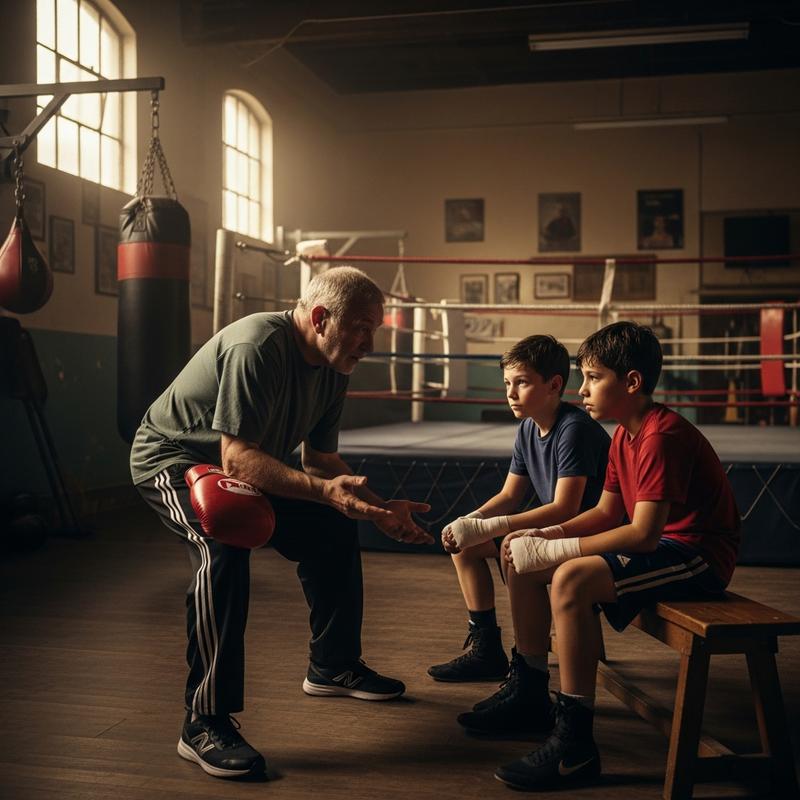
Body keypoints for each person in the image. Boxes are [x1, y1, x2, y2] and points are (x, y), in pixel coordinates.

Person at [130, 266, 433, 780]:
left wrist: (377, 509)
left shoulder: (335, 367)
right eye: (361, 327)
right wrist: (324, 492)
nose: (369, 342)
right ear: (320, 318)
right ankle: (203, 720)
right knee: (224, 539)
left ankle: (332, 664)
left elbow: (319, 463)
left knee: (334, 525)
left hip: (240, 465)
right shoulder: (258, 347)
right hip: (174, 458)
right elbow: (238, 461)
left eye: (375, 330)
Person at [494, 321, 740, 790]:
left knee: (570, 578)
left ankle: (575, 745)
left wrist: (559, 547)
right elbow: (609, 512)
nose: (582, 389)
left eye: (593, 377)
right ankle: (529, 690)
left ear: (631, 382)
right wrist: (544, 532)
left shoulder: (659, 435)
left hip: (698, 553)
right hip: (667, 545)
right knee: (521, 559)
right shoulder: (624, 435)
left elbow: (645, 534)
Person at [428, 335, 610, 712]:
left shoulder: (573, 429)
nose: (511, 393)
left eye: (522, 382)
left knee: (510, 547)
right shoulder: (527, 428)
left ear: (554, 385)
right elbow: (509, 496)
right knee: (467, 543)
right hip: (557, 533)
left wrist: (492, 528)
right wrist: (471, 520)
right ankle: (486, 648)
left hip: (583, 537)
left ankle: (529, 673)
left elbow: (565, 508)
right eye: (508, 383)